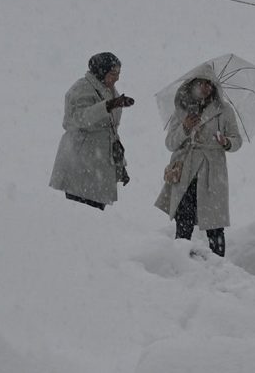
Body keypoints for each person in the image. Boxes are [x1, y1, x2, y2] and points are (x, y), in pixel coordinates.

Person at [154, 64, 242, 257]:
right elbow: (170, 143)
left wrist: (226, 141)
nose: (206, 88)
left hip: (212, 172)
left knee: (215, 224)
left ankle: (219, 266)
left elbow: (237, 140)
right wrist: (184, 128)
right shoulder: (182, 108)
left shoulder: (224, 110)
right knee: (183, 221)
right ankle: (180, 262)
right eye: (202, 83)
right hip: (185, 170)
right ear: (192, 84)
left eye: (210, 84)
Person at [49, 52, 135, 210]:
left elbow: (111, 130)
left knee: (95, 217)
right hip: (80, 165)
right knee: (81, 217)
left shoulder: (108, 90)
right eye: (113, 73)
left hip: (99, 167)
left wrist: (120, 164)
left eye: (118, 74)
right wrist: (109, 105)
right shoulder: (81, 89)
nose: (117, 78)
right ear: (101, 72)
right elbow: (78, 119)